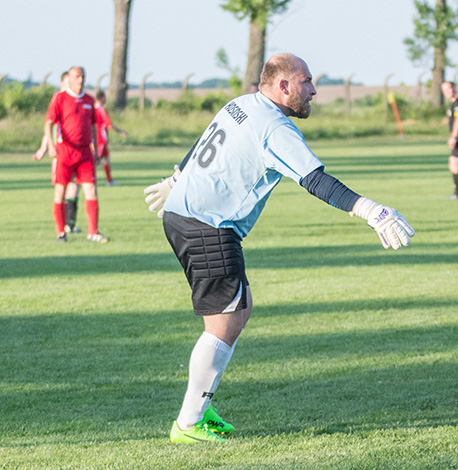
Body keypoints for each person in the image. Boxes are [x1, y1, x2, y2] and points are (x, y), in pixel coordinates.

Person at [143, 53, 414, 444]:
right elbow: (315, 180)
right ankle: (189, 422)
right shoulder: (275, 128)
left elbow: (202, 142)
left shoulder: (240, 103)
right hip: (209, 224)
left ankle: (196, 412)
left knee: (239, 309)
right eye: (306, 82)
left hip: (187, 215)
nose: (314, 90)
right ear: (283, 85)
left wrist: (177, 177)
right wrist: (371, 211)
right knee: (224, 323)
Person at [45, 66, 108, 242]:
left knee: (91, 190)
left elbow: (94, 126)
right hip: (65, 151)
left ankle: (93, 232)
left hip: (85, 153)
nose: (80, 80)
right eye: (77, 76)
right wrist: (50, 144)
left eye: (83, 76)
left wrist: (95, 149)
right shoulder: (60, 98)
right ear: (69, 79)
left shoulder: (89, 100)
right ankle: (61, 232)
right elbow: (49, 123)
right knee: (61, 191)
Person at [35, 72, 82, 234]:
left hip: (75, 153)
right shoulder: (59, 99)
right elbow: (48, 129)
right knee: (61, 190)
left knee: (75, 188)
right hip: (60, 153)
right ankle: (61, 226)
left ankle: (70, 223)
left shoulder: (74, 101)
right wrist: (44, 148)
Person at [94, 90, 128, 186]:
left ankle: (109, 181)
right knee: (95, 161)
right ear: (102, 98)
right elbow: (109, 125)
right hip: (100, 139)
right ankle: (87, 179)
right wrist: (121, 131)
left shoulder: (92, 109)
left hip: (98, 139)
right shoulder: (101, 110)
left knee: (106, 160)